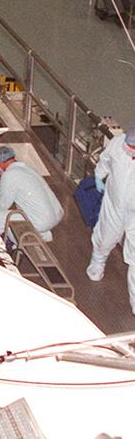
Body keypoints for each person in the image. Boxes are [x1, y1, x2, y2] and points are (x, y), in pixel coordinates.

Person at [86, 127, 135, 312]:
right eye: (128, 145)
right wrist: (99, 176)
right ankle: (96, 266)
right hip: (114, 205)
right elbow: (105, 160)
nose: (129, 149)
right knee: (105, 237)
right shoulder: (117, 144)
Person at [0, 146, 64, 244]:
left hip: (42, 221)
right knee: (20, 210)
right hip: (56, 214)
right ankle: (43, 234)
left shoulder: (9, 175)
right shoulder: (27, 168)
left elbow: (2, 205)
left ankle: (17, 243)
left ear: (1, 163)